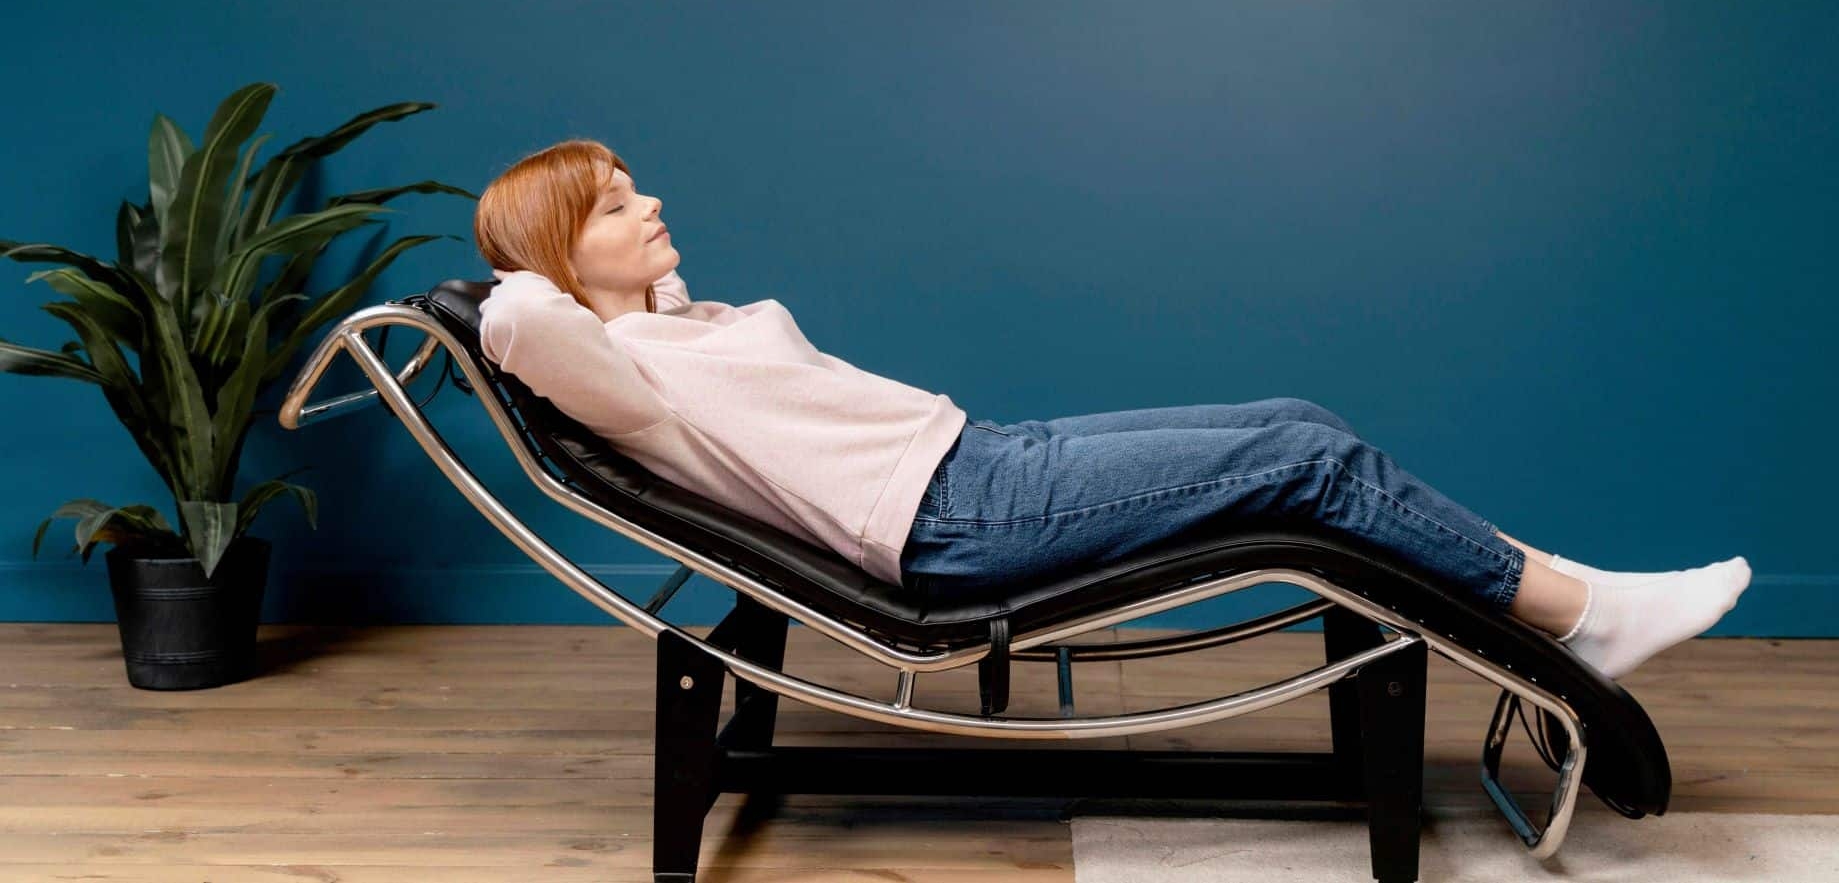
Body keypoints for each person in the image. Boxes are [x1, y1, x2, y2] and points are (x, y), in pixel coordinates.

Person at [472, 138, 1750, 683]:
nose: (650, 209)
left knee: (1296, 417)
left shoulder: (669, 329)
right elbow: (520, 325)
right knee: (1304, 461)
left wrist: (622, 273)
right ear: (564, 256)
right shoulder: (616, 368)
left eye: (639, 190)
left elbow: (620, 305)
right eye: (618, 204)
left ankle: (1561, 598)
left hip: (978, 459)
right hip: (952, 521)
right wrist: (536, 274)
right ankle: (1581, 616)